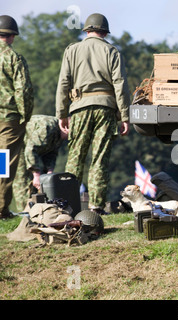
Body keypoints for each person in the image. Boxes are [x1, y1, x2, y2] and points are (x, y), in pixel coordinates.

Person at [55, 13, 131, 215]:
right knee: (99, 158)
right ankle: (96, 207)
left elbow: (63, 83)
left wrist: (61, 113)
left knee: (75, 157)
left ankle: (66, 205)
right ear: (104, 32)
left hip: (79, 108)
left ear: (87, 30)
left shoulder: (72, 50)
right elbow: (120, 85)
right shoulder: (112, 51)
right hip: (105, 109)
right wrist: (124, 116)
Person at [0, 15, 34, 219]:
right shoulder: (14, 58)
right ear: (12, 36)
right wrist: (25, 115)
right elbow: (24, 90)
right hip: (8, 120)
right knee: (3, 164)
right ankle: (1, 209)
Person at [13, 115, 68, 211]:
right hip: (14, 144)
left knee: (38, 183)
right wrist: (36, 175)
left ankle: (34, 211)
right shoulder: (47, 128)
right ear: (66, 127)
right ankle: (24, 215)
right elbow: (31, 149)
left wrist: (49, 171)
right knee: (21, 181)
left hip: (26, 147)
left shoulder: (60, 134)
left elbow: (51, 153)